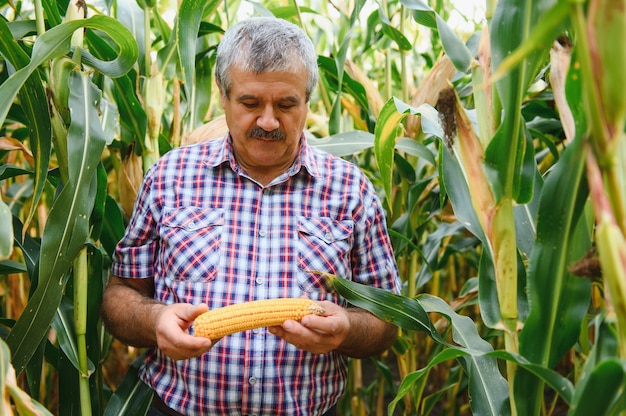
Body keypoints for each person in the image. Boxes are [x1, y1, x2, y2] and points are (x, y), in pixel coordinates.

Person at [101, 16, 401, 416]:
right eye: (249, 103)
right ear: (223, 97)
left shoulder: (351, 190)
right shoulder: (169, 177)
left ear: (308, 102)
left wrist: (348, 328)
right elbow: (120, 293)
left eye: (286, 104)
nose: (268, 121)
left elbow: (387, 318)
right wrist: (155, 320)